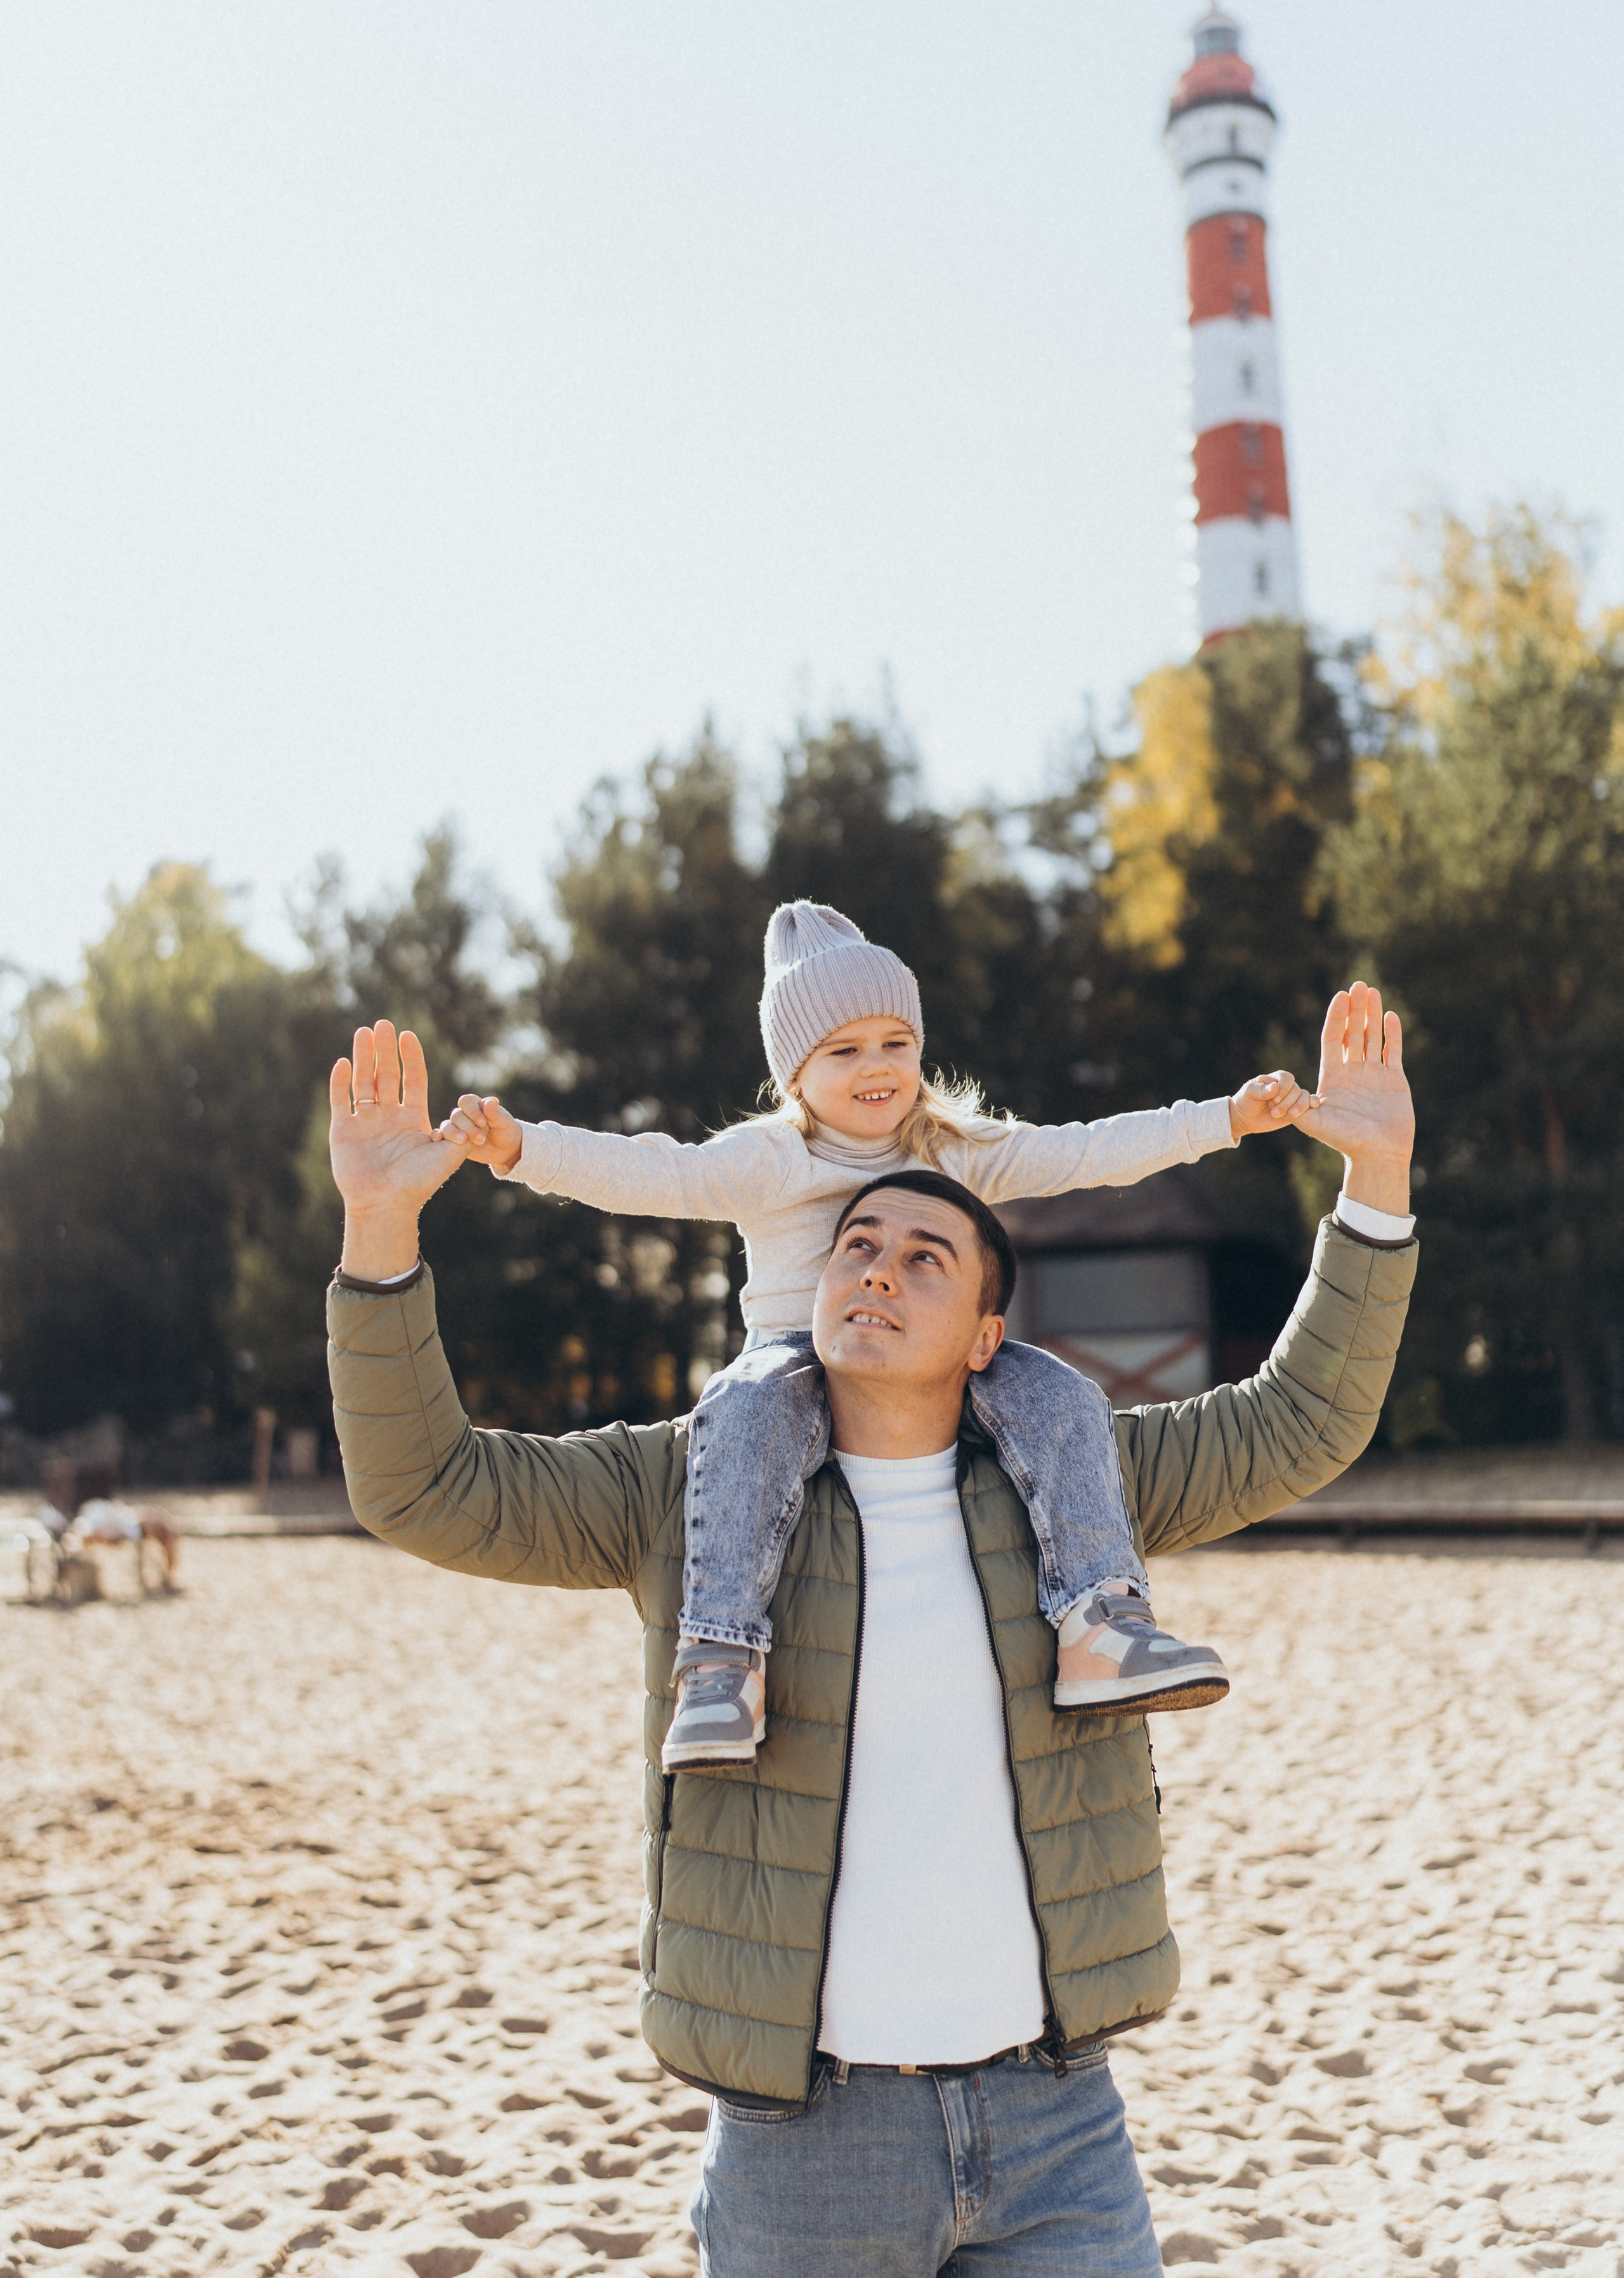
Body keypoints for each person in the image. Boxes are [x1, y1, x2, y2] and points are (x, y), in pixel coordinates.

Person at [325, 982, 1417, 2276]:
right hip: (805, 2148)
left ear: (985, 1337)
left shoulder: (1076, 1490)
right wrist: (383, 1227)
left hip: (1058, 2129)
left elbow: (1299, 1423)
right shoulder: (685, 1494)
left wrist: (1378, 1185)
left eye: (923, 1258)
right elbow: (424, 1489)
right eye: (855, 1247)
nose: (876, 1270)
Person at [433, 900, 1318, 1766]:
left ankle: (1099, 1622)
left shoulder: (950, 1147)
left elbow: (1084, 1151)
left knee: (1058, 1388)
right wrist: (523, 1149)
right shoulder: (770, 1158)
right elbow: (650, 1171)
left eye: (897, 1042)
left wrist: (1224, 1120)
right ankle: (720, 1662)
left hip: (934, 1359)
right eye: (846, 1049)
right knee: (737, 1411)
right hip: (799, 1354)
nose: (879, 1065)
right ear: (794, 1074)